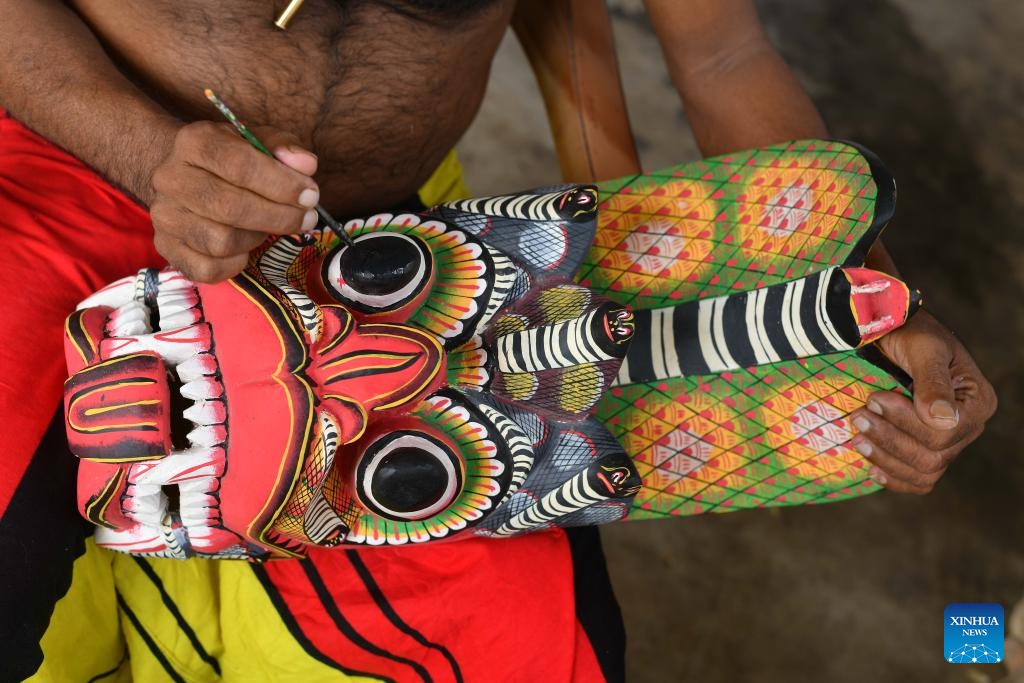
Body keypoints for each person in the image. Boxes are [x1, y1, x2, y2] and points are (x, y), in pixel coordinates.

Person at [0, 0, 997, 680]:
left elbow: (721, 53)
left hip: (389, 264)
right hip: (74, 162)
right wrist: (147, 150)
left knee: (523, 647)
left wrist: (876, 307)